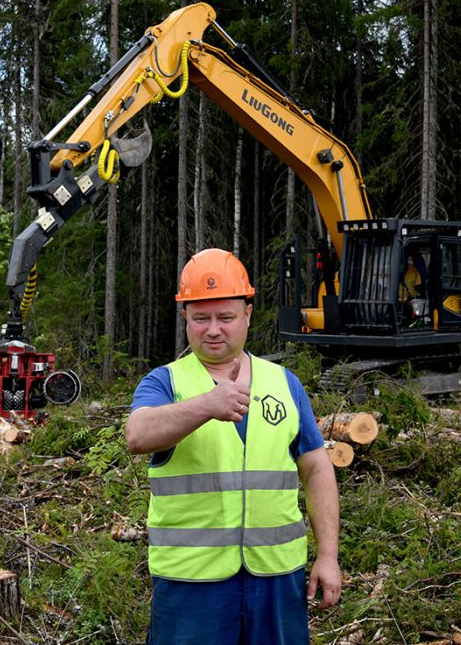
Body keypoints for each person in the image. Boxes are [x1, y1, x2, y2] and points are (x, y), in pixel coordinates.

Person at [126, 248, 342, 645]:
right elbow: (137, 435)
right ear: (185, 317)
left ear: (248, 314)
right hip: (191, 580)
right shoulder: (165, 382)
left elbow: (316, 468)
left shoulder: (284, 383)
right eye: (200, 318)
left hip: (276, 577)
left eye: (225, 318)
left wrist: (328, 556)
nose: (213, 330)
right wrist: (206, 405)